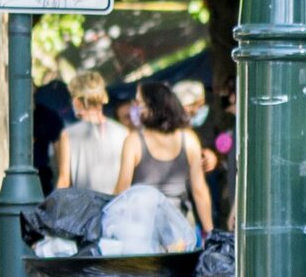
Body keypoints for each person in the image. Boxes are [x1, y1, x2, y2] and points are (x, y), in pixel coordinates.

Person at [117, 77, 214, 238]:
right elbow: (200, 190)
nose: (135, 109)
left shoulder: (134, 141)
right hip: (180, 226)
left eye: (139, 103)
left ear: (153, 107)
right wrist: (210, 233)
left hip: (143, 228)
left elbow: (122, 190)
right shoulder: (188, 139)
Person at [55, 74, 129, 198]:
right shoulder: (124, 133)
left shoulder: (68, 134)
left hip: (85, 210)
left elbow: (64, 181)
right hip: (117, 209)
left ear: (77, 102)